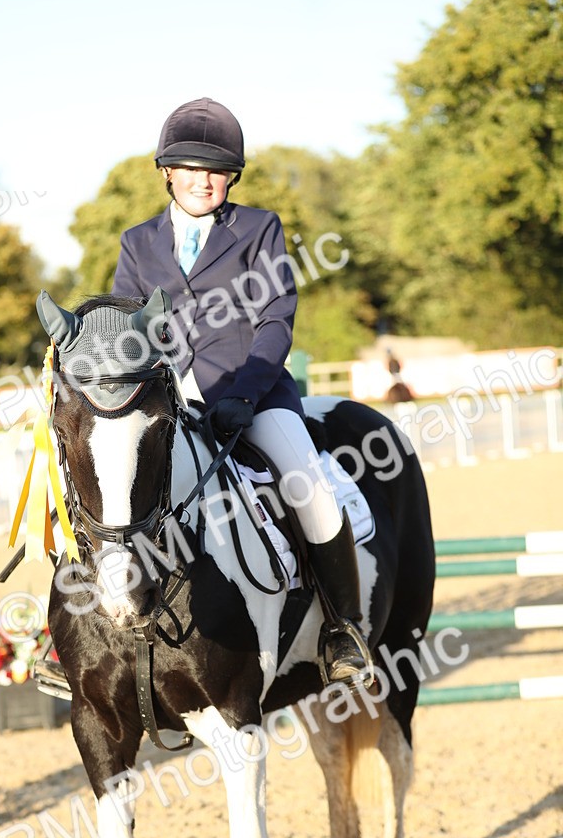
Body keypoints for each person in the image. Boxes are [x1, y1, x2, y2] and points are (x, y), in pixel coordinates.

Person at [111, 97, 372, 687]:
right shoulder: (137, 242)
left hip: (254, 397)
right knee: (106, 491)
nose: (204, 181)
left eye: (218, 171)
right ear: (167, 172)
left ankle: (343, 628)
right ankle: (78, 635)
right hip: (171, 404)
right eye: (191, 169)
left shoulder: (258, 228)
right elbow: (130, 326)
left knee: (308, 487)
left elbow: (275, 317)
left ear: (231, 177)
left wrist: (246, 395)